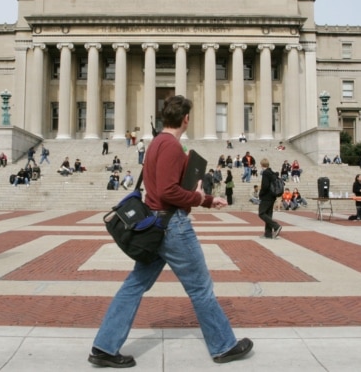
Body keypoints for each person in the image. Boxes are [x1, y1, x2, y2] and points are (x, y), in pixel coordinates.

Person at [88, 95, 252, 367]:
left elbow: (169, 187)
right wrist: (199, 198)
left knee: (135, 285)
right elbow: (168, 191)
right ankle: (224, 346)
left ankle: (104, 346)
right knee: (200, 288)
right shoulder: (171, 146)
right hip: (172, 227)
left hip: (155, 225)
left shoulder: (156, 144)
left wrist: (210, 200)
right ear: (186, 118)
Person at [258, 158, 281, 238]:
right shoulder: (272, 173)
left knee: (261, 213)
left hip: (266, 197)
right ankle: (268, 234)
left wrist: (260, 194)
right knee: (268, 214)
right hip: (272, 196)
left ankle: (276, 226)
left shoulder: (265, 173)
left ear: (262, 165)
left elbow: (265, 186)